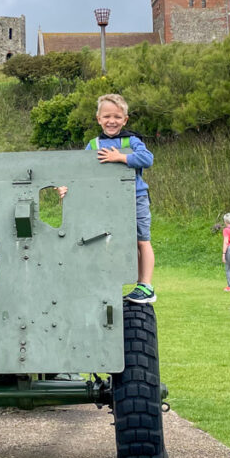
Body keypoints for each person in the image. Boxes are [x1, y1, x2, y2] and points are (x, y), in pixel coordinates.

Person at [88, 93, 157, 304]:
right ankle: (109, 281)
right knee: (106, 240)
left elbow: (148, 158)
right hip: (106, 200)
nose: (112, 121)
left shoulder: (131, 140)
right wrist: (65, 187)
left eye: (117, 117)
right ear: (99, 119)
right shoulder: (93, 144)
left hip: (135, 197)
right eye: (107, 116)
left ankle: (145, 285)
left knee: (141, 240)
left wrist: (121, 157)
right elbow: (79, 169)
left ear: (125, 119)